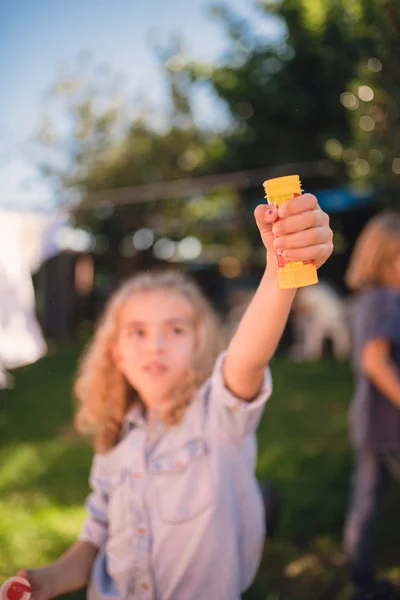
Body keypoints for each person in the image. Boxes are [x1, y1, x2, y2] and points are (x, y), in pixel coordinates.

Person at [17, 194, 333, 600]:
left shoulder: (218, 417)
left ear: (200, 344)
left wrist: (280, 267)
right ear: (115, 352)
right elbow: (95, 540)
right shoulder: (114, 439)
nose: (156, 346)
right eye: (138, 332)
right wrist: (51, 579)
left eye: (176, 330)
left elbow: (247, 358)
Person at [343, 212, 400, 600]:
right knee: (366, 501)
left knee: (365, 501)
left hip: (369, 422)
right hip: (391, 425)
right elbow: (374, 361)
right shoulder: (386, 300)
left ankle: (361, 580)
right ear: (386, 260)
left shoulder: (367, 299)